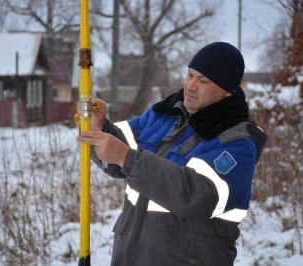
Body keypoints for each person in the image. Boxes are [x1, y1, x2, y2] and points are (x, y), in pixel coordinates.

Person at [76, 42, 268, 266]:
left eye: (203, 81)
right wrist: (101, 128)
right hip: (130, 253)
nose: (191, 86)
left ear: (227, 91)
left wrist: (126, 157)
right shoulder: (165, 114)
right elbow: (123, 152)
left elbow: (197, 195)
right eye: (190, 75)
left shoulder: (238, 143)